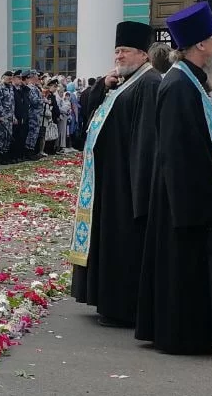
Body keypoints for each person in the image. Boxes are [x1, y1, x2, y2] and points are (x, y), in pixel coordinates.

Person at [135, 3, 212, 356]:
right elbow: (176, 153)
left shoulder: (188, 80)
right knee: (185, 270)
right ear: (199, 46)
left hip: (189, 195)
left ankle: (198, 330)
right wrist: (193, 207)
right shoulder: (179, 85)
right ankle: (187, 334)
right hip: (185, 201)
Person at [68, 21, 161, 328]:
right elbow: (90, 113)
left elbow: (145, 139)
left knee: (122, 244)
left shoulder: (148, 83)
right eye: (117, 51)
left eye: (125, 51)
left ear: (143, 55)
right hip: (108, 180)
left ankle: (121, 306)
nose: (119, 56)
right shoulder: (124, 82)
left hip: (124, 182)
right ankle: (105, 300)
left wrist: (138, 188)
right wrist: (101, 86)